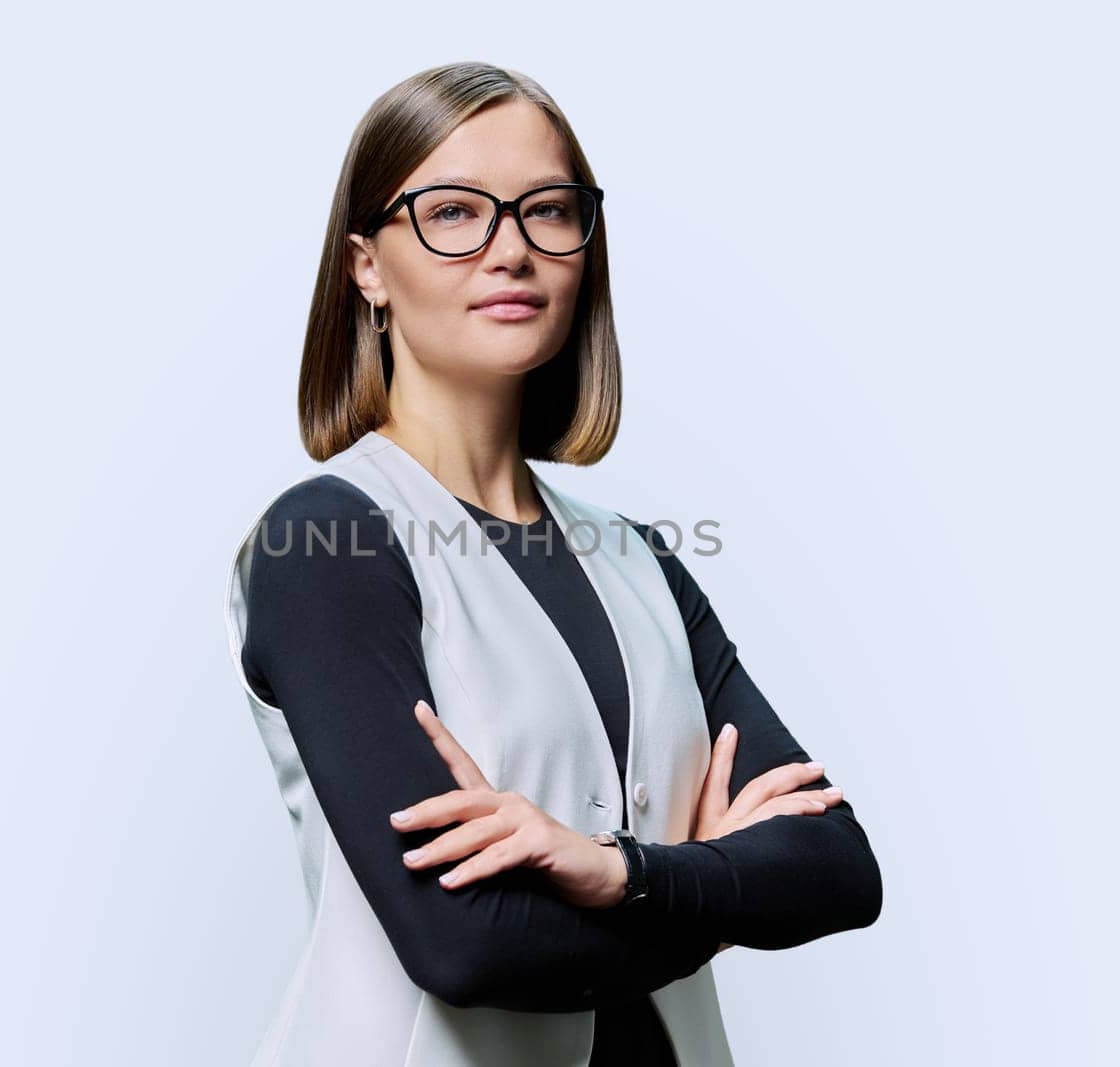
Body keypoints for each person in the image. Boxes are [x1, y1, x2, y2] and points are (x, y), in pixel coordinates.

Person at [224, 61, 883, 1067]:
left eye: (546, 210)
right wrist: (704, 883)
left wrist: (608, 868)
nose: (511, 250)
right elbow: (465, 944)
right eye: (453, 212)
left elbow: (838, 868)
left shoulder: (641, 563)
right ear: (366, 266)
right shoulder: (325, 545)